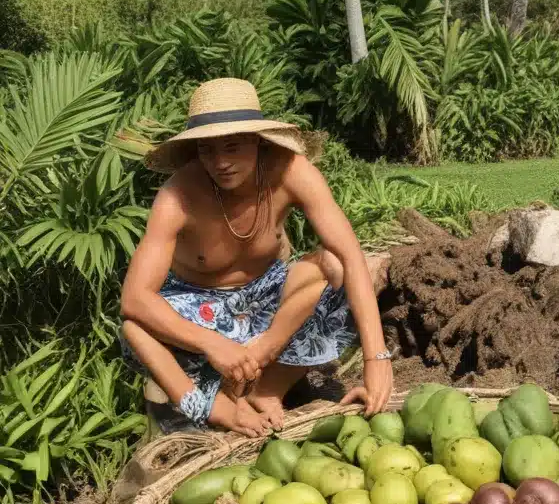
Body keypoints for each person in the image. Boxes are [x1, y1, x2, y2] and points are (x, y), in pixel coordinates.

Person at [120, 77, 393, 438]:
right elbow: (135, 298)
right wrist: (212, 344)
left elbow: (350, 253)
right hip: (199, 309)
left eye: (232, 147)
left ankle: (268, 388)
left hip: (267, 299)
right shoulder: (178, 195)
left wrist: (377, 359)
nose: (220, 163)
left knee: (341, 267)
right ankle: (215, 408)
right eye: (207, 150)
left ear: (257, 141)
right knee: (134, 329)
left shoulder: (290, 171)